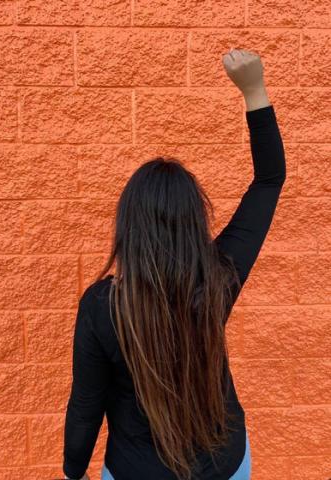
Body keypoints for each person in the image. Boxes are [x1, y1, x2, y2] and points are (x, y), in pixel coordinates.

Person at [62, 49, 286, 480]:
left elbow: (86, 404)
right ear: (193, 222)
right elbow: (269, 179)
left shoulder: (102, 306)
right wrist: (254, 90)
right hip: (226, 466)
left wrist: (74, 471)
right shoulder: (218, 277)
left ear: (129, 227)